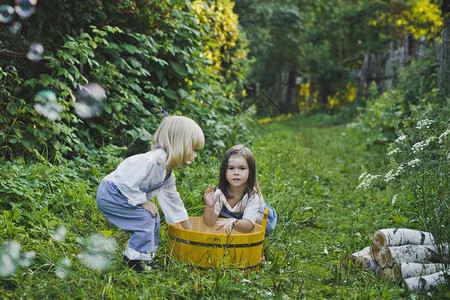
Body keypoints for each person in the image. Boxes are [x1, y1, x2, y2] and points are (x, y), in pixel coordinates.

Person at [96, 116, 204, 272]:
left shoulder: (168, 175)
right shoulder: (149, 161)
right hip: (111, 194)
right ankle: (133, 262)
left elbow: (174, 204)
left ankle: (146, 258)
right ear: (181, 145)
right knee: (145, 218)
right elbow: (126, 182)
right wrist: (143, 202)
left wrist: (190, 233)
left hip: (123, 196)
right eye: (193, 149)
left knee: (153, 217)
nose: (195, 155)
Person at [203, 144, 277, 237]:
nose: (236, 173)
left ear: (250, 172)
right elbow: (209, 222)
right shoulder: (220, 192)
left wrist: (234, 221)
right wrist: (210, 206)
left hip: (255, 218)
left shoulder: (253, 195)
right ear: (224, 171)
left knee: (256, 219)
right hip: (232, 214)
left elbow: (248, 225)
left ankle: (257, 238)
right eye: (231, 168)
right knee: (219, 218)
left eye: (242, 168)